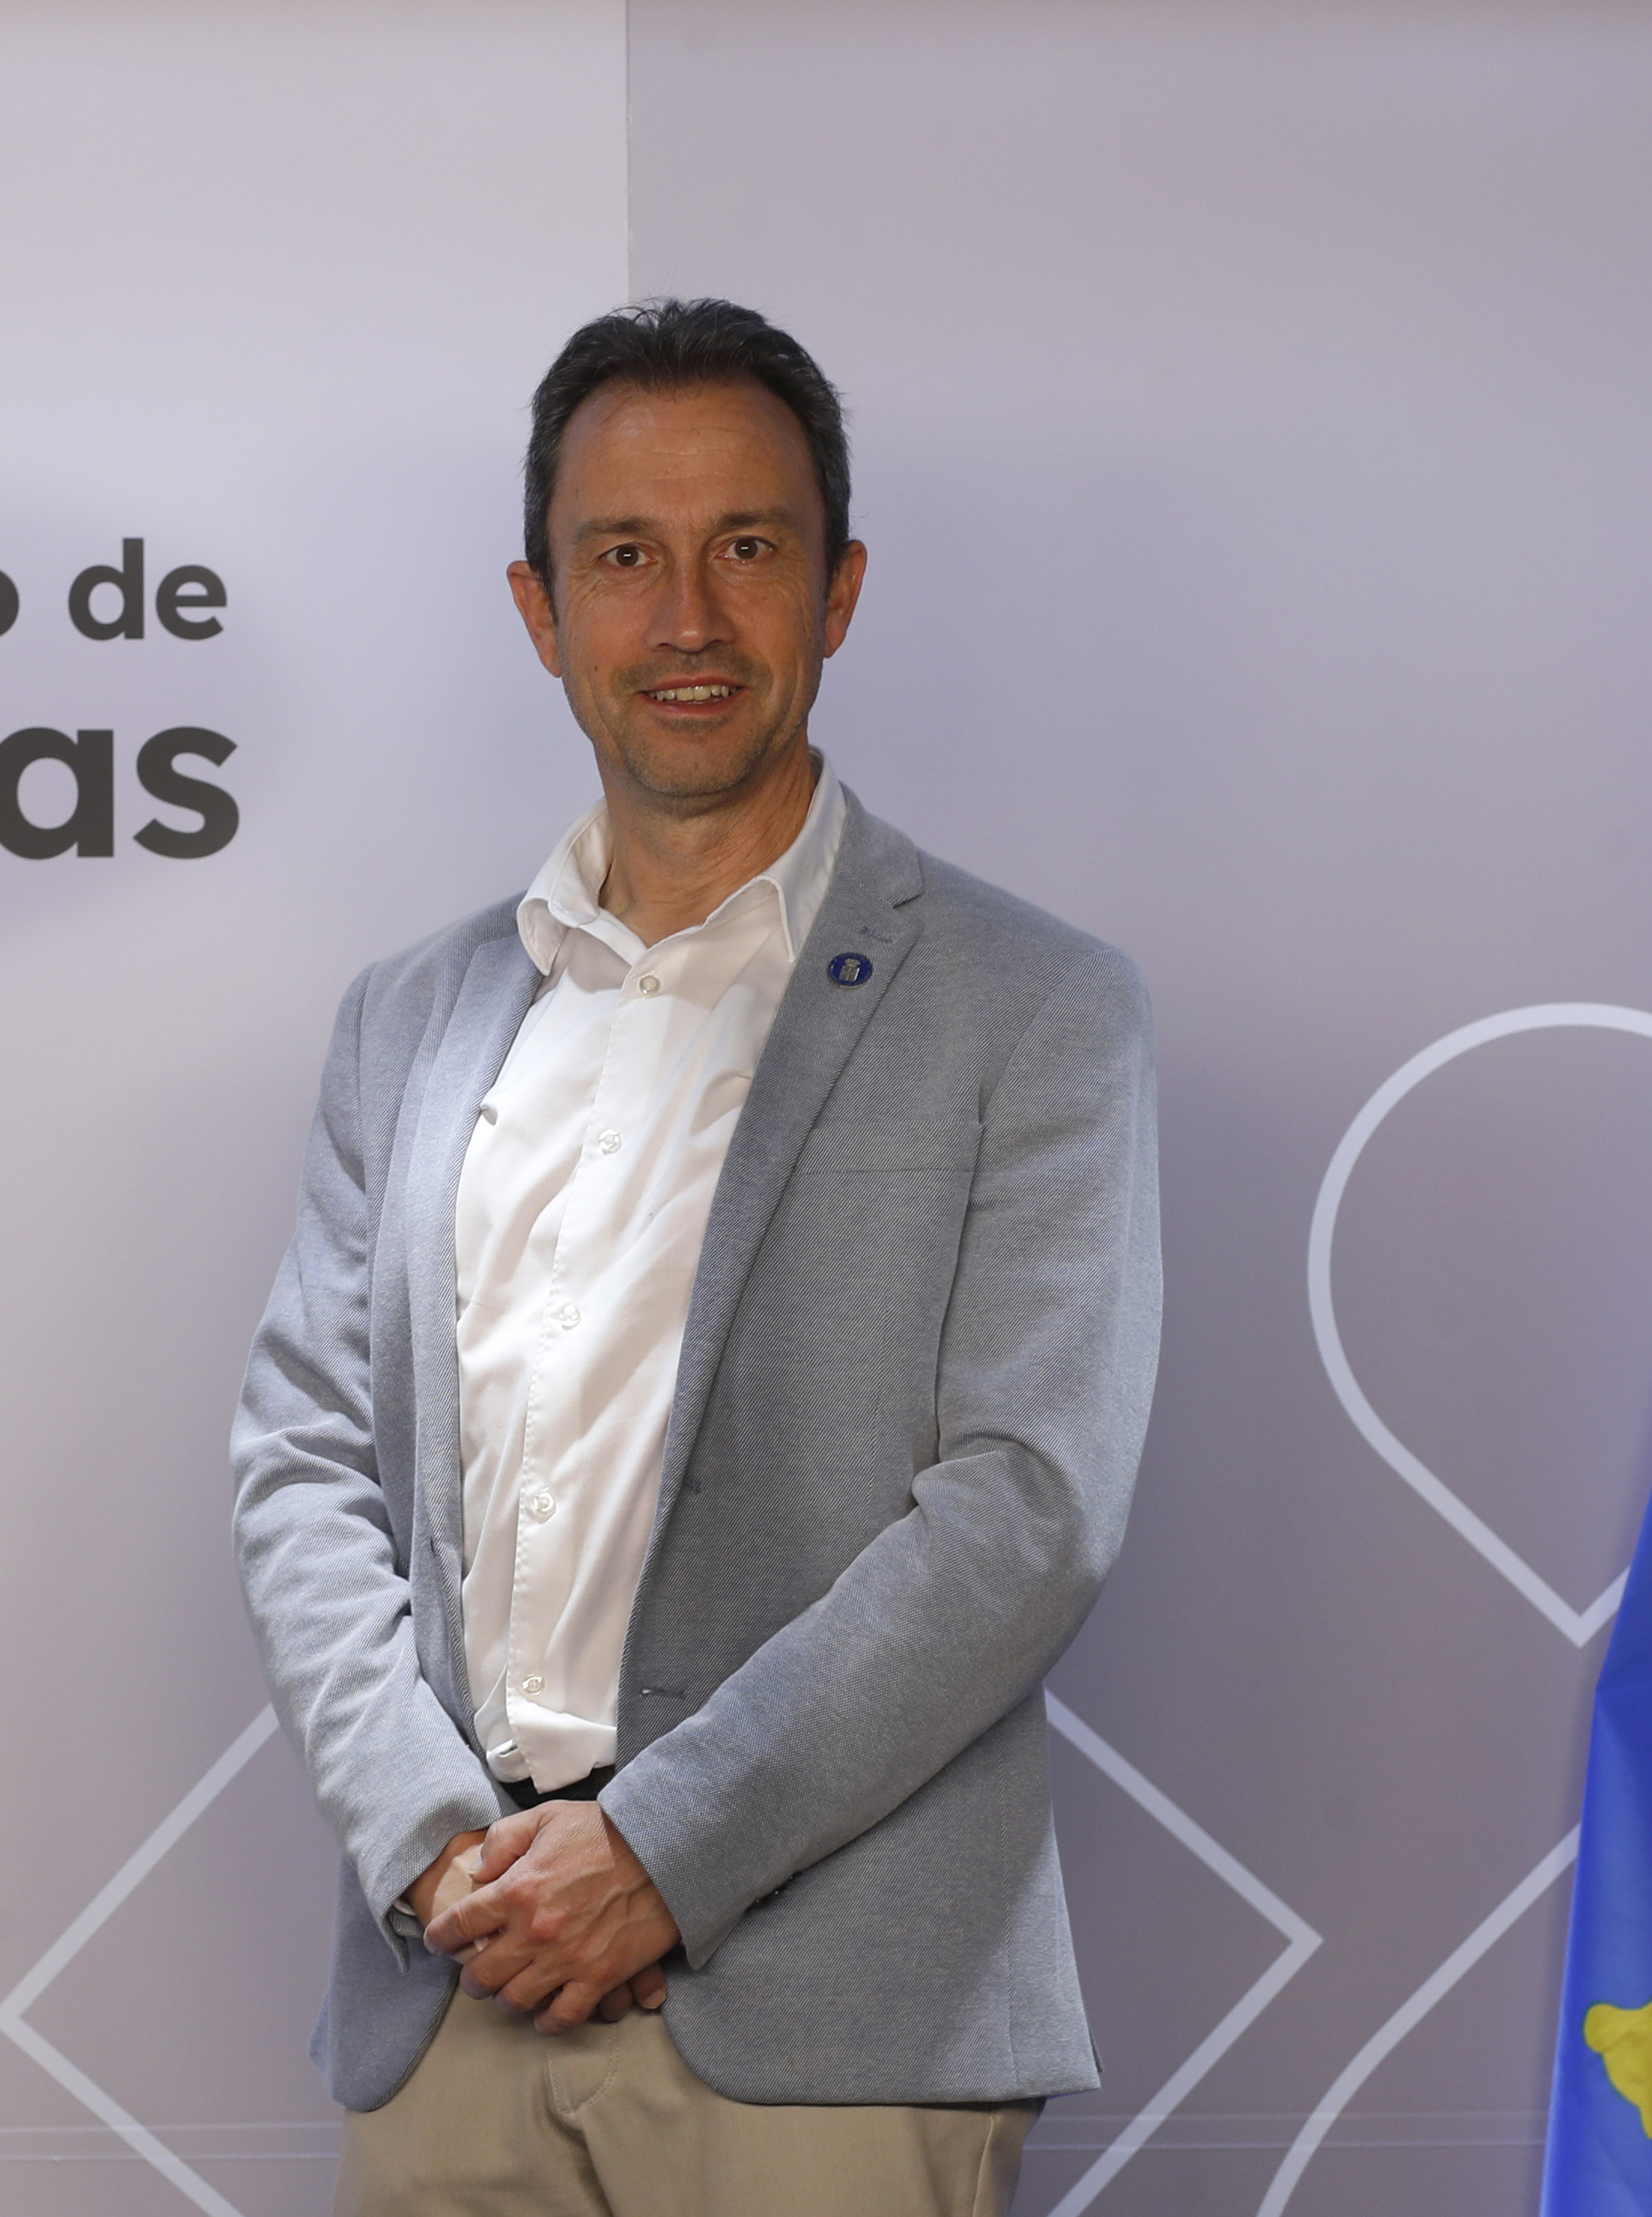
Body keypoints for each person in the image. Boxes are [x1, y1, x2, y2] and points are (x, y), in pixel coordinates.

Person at [231, 297, 1162, 2217]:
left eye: (746, 547)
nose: (686, 620)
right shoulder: (404, 1023)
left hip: (831, 2032)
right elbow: (301, 1463)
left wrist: (663, 1848)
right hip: (455, 1991)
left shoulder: (1034, 1007)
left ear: (839, 591)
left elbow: (1028, 1509)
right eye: (622, 559)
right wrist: (430, 1844)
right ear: (538, 609)